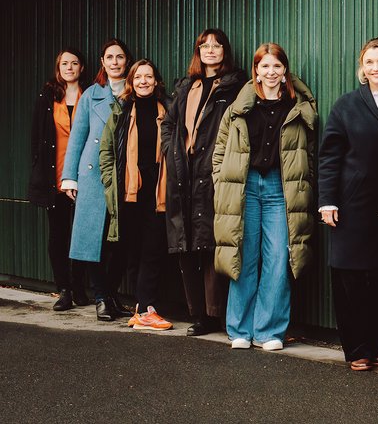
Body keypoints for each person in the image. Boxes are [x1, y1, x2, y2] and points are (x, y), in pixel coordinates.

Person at [212, 43, 317, 351]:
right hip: (244, 187)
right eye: (265, 66)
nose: (271, 72)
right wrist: (222, 183)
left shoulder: (298, 107)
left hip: (279, 189)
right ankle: (240, 329)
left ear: (285, 70)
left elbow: (309, 153)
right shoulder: (240, 107)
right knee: (243, 258)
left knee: (278, 261)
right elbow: (220, 150)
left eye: (277, 66)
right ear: (256, 70)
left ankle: (270, 331)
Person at [318, 37, 378, 371]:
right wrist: (327, 200)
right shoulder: (346, 105)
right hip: (351, 203)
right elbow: (329, 157)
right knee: (349, 278)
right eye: (370, 62)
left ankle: (373, 344)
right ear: (361, 69)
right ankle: (356, 350)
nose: (376, 67)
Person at [162, 29, 245, 336]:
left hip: (214, 172)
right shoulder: (186, 86)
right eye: (204, 45)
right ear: (198, 51)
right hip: (183, 172)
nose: (211, 50)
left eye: (217, 45)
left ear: (225, 50)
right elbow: (169, 124)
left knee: (212, 242)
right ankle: (197, 313)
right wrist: (171, 153)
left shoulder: (235, 85)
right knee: (185, 243)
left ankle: (214, 314)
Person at [61, 38, 134, 322]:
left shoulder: (134, 91)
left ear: (126, 61)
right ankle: (102, 298)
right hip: (93, 175)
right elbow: (77, 137)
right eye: (109, 58)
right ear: (102, 62)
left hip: (124, 175)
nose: (115, 62)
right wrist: (70, 177)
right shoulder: (91, 94)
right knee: (94, 239)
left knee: (121, 242)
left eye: (119, 57)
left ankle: (111, 294)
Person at [99, 59, 173, 330]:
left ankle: (145, 309)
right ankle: (143, 308)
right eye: (138, 77)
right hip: (128, 189)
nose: (143, 81)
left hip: (158, 188)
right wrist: (111, 183)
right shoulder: (120, 110)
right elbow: (106, 151)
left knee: (153, 249)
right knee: (132, 250)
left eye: (149, 77)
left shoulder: (166, 108)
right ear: (131, 81)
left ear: (156, 81)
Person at [29, 48, 89, 311]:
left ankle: (79, 286)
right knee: (59, 234)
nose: (69, 67)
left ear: (82, 68)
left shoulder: (90, 96)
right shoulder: (48, 97)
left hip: (84, 177)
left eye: (74, 63)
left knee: (82, 234)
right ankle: (64, 289)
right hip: (56, 178)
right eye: (64, 63)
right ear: (58, 68)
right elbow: (36, 137)